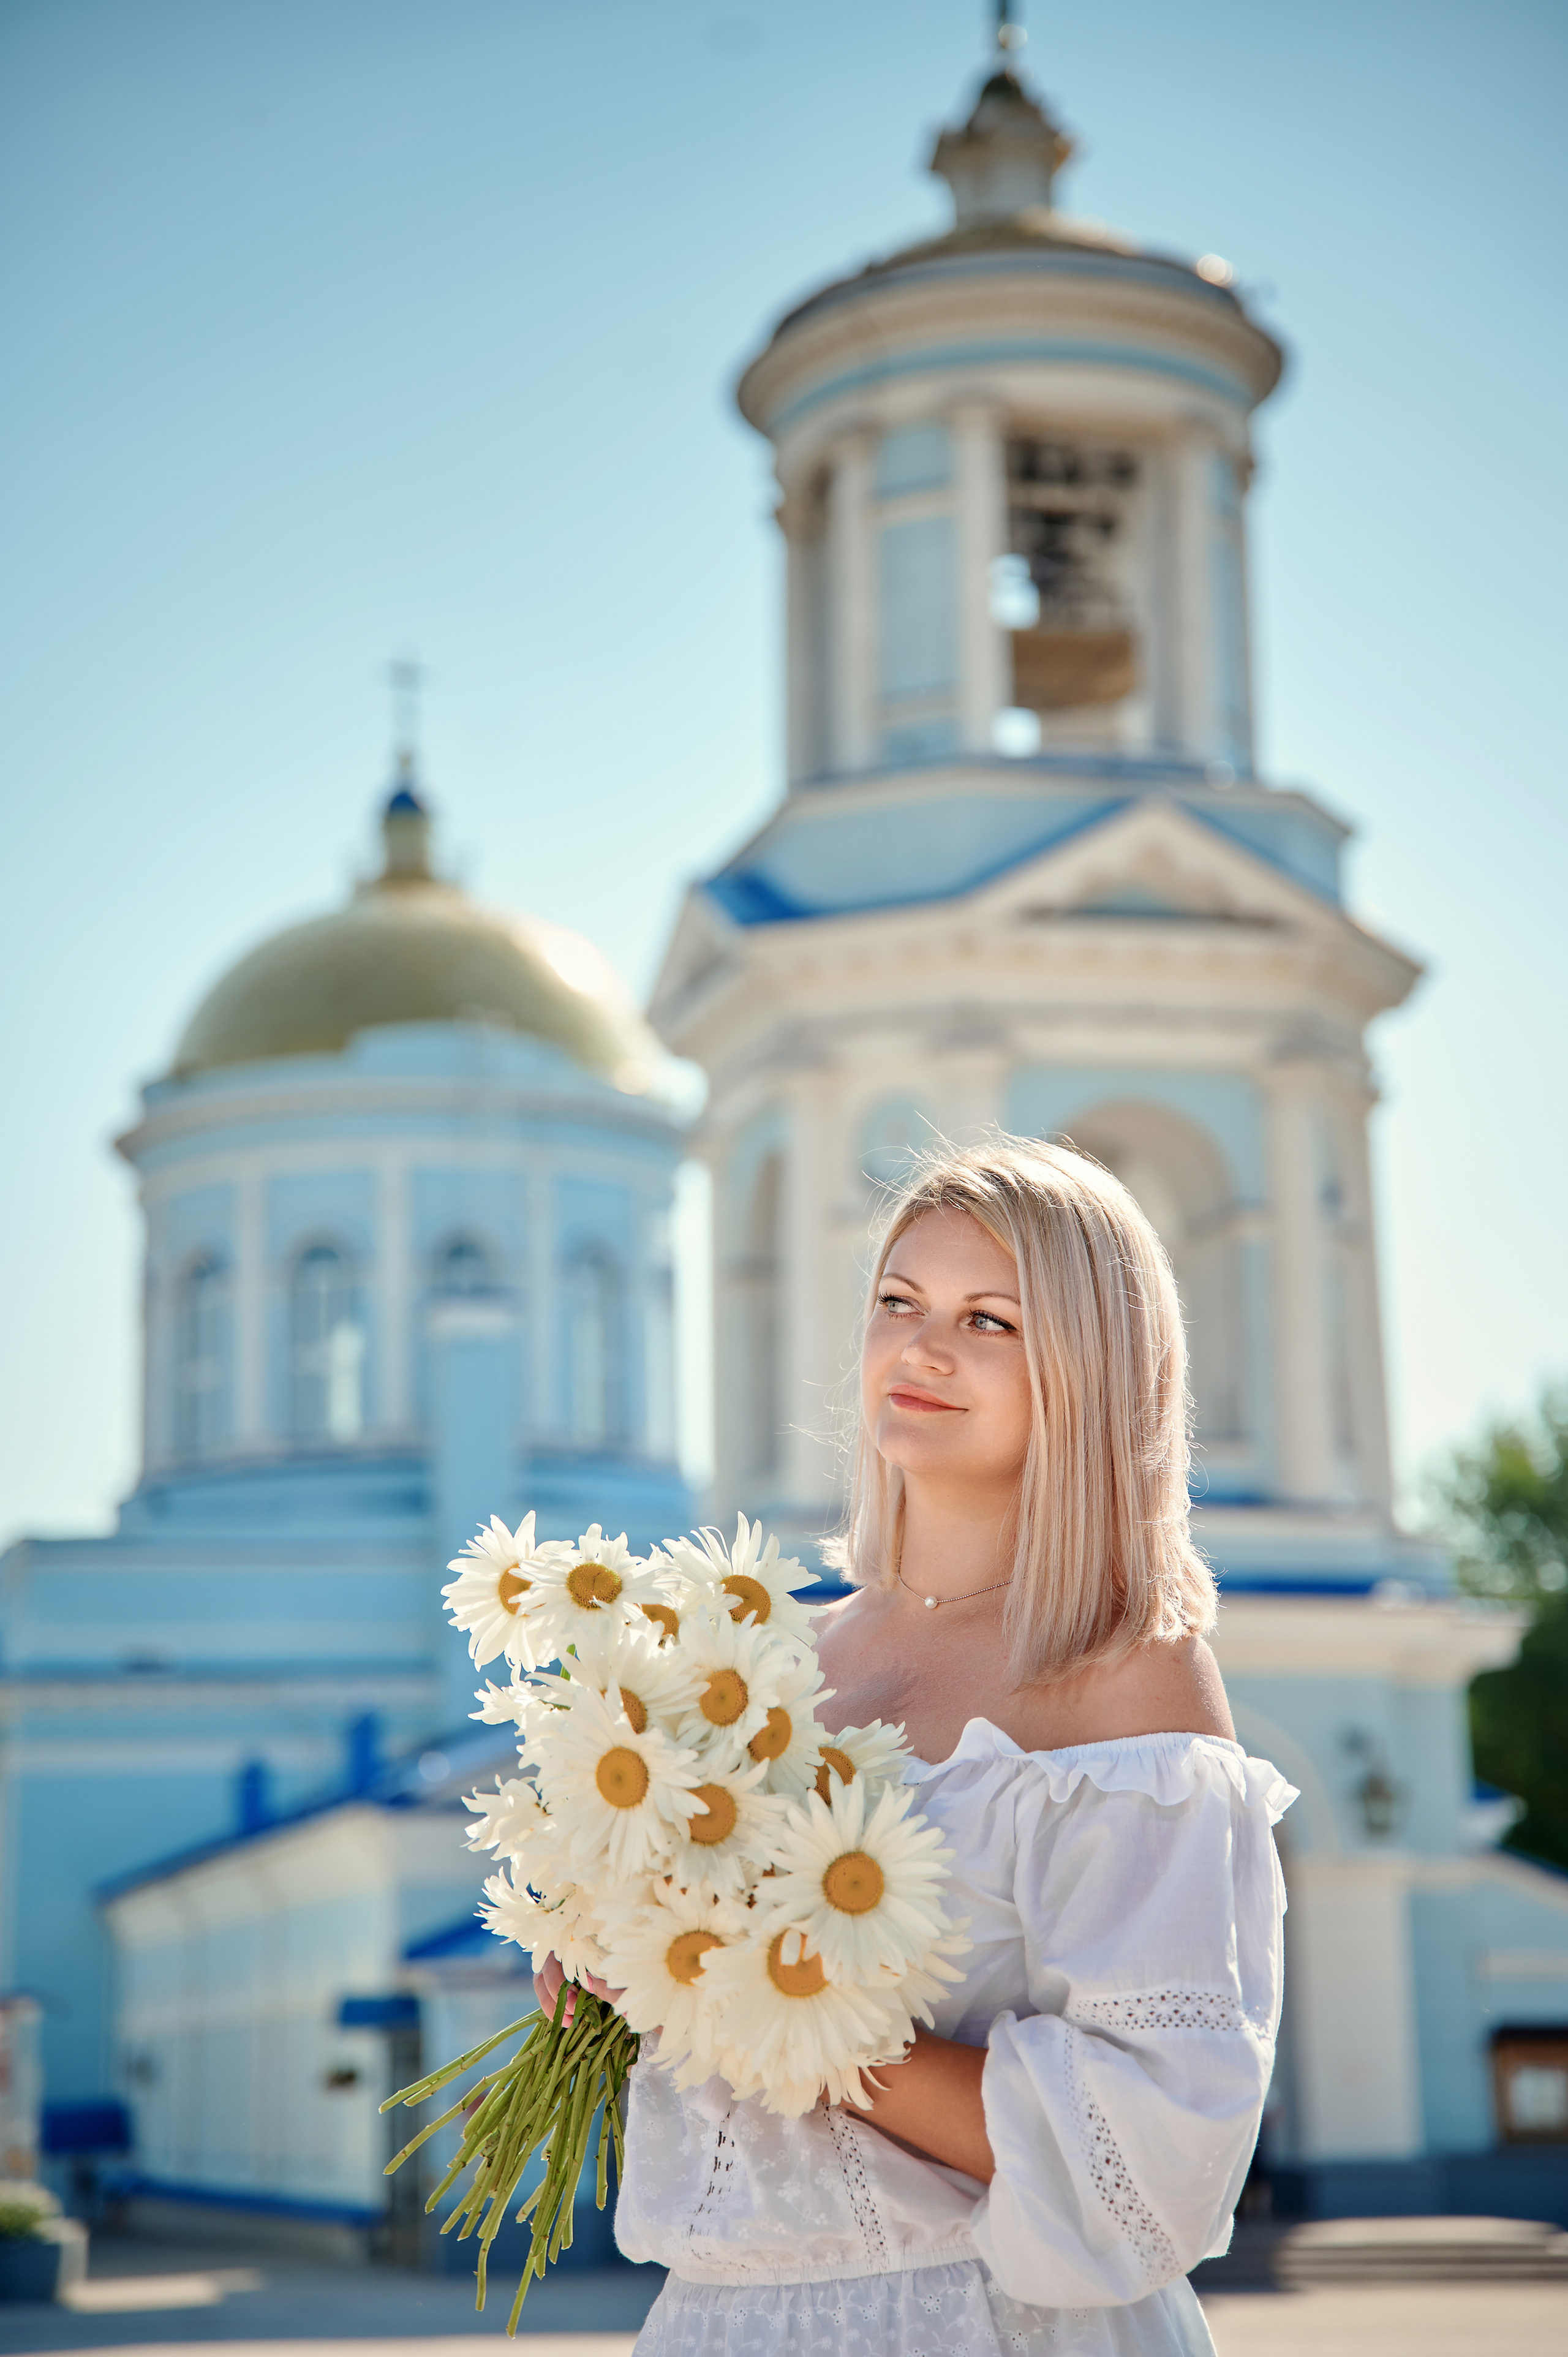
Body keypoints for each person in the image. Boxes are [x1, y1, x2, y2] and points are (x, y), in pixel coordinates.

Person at [536, 1136, 1295, 2356]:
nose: (921, 1348)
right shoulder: (767, 1663)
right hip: (721, 2319)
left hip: (981, 2321)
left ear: (1090, 1366)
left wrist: (770, 1994)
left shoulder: (1124, 1671)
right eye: (899, 1301)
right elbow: (704, 2029)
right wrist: (621, 1964)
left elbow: (1155, 2156)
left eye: (988, 1320)